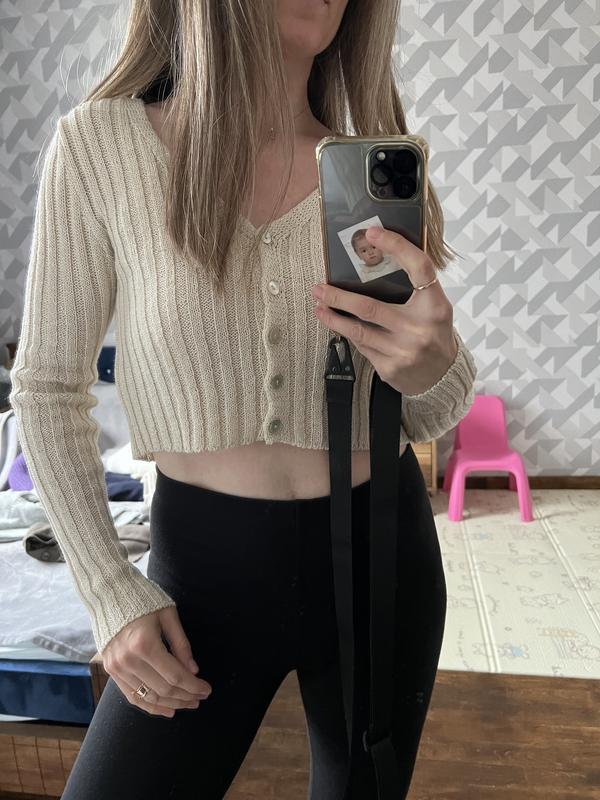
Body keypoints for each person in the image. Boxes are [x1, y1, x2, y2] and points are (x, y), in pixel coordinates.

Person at [9, 1, 478, 798]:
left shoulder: (369, 173)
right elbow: (47, 389)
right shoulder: (102, 146)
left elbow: (427, 413)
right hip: (202, 571)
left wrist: (435, 362)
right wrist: (108, 590)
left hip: (383, 558)